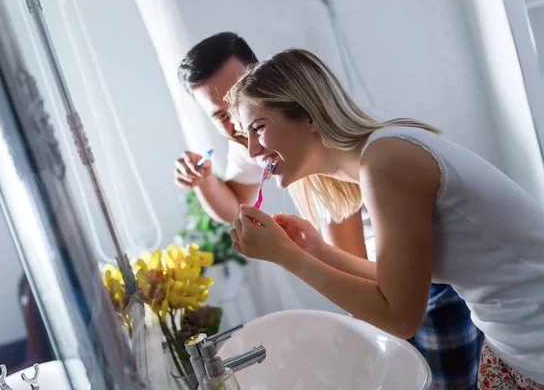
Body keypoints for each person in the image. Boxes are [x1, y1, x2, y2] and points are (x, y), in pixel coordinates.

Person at [176, 33, 483, 389]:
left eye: (242, 106)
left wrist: (289, 256)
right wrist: (205, 183)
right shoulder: (258, 141)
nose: (244, 135)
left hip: (423, 287)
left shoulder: (356, 155)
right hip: (394, 279)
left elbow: (393, 306)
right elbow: (234, 204)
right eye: (222, 115)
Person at [226, 48, 544, 389]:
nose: (253, 151)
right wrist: (316, 251)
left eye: (258, 128)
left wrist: (285, 256)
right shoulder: (378, 157)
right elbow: (396, 283)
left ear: (308, 115)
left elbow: (400, 317)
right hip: (508, 346)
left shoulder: (388, 161)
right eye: (247, 137)